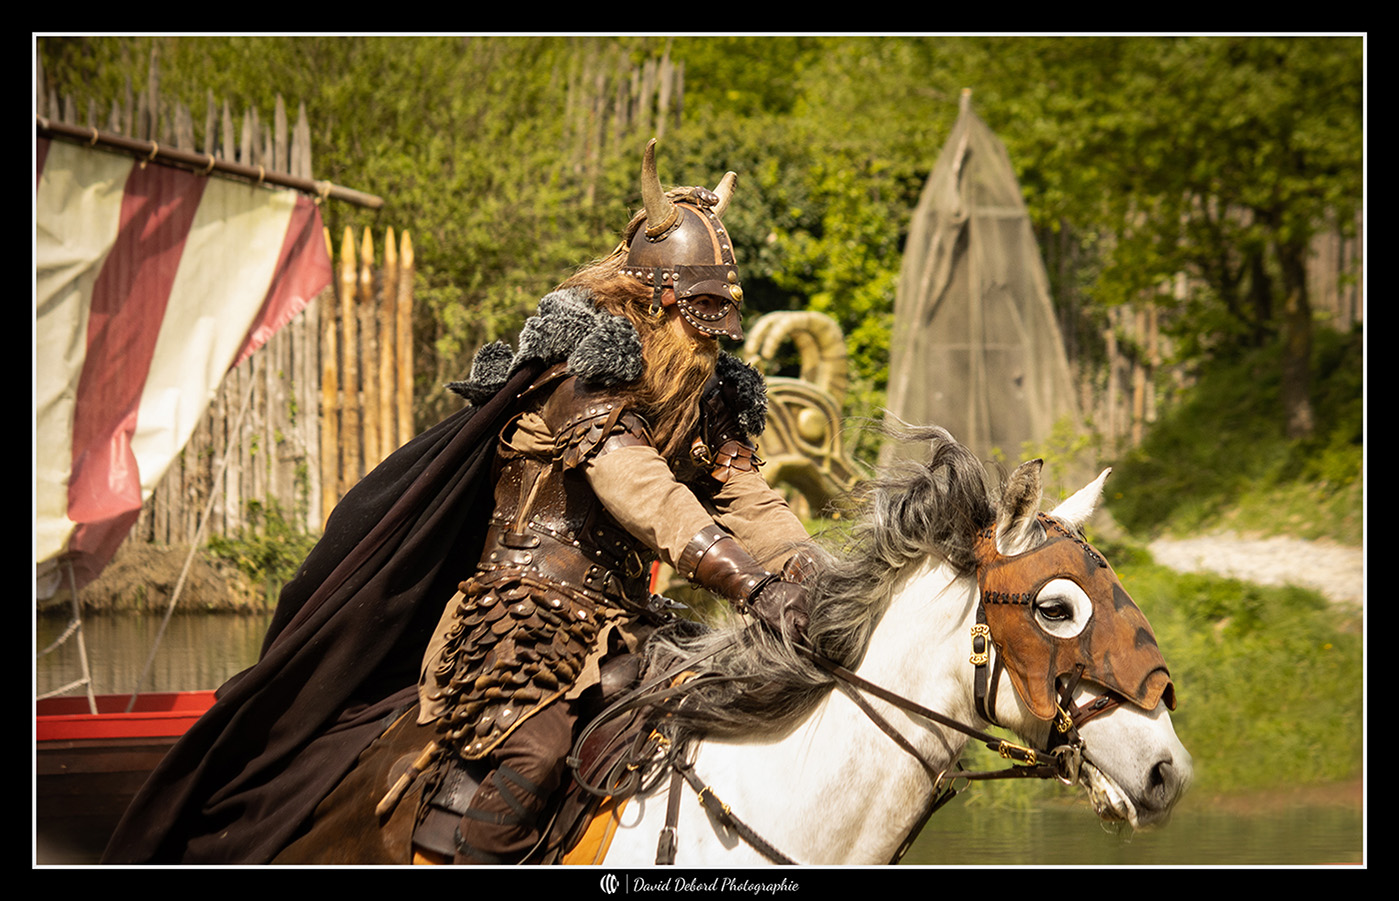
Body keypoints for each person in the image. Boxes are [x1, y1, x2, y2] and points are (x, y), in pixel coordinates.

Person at [408, 139, 812, 863]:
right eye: (701, 308)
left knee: (722, 697)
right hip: (522, 612)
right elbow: (640, 488)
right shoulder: (585, 370)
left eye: (725, 309)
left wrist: (818, 578)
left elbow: (747, 498)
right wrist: (754, 586)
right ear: (656, 297)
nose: (717, 332)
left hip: (623, 618)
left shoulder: (704, 391)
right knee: (533, 749)